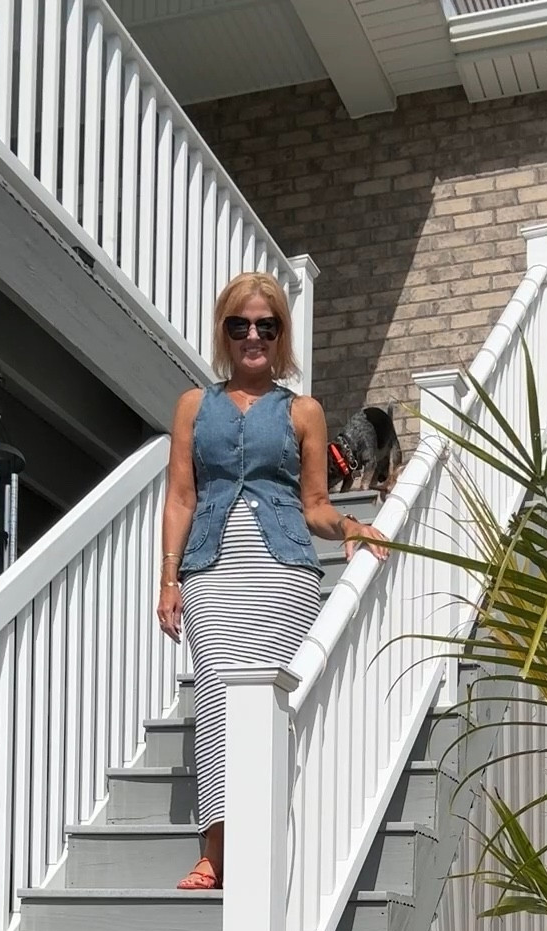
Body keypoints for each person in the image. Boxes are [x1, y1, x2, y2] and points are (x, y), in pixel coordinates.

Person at [157, 271, 385, 890]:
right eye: (240, 325)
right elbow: (180, 497)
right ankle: (218, 849)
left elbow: (313, 504)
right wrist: (170, 577)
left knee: (277, 701)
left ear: (281, 334)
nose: (253, 335)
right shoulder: (193, 406)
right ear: (225, 333)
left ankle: (280, 836)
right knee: (215, 702)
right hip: (211, 568)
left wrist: (350, 528)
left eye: (267, 325)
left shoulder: (303, 411)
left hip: (280, 569)